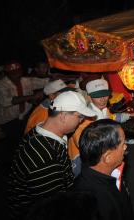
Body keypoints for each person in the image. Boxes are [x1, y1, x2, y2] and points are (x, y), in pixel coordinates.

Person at [6, 91, 97, 219]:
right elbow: (54, 209)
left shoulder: (39, 130)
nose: (81, 121)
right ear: (63, 116)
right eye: (80, 116)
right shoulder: (43, 158)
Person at [74, 119, 134, 220]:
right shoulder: (94, 203)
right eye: (123, 144)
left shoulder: (111, 170)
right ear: (108, 158)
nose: (126, 147)